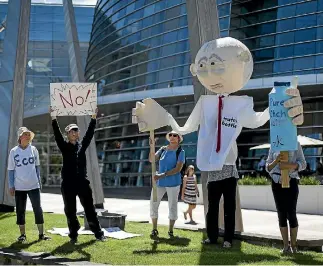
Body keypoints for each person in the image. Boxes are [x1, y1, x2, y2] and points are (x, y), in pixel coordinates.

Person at [50, 107, 106, 243]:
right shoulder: (64, 146)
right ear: (68, 134)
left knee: (89, 209)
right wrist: (53, 118)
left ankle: (98, 233)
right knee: (70, 211)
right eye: (72, 131)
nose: (75, 133)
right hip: (68, 184)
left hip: (82, 182)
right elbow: (57, 134)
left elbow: (89, 134)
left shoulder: (82, 146)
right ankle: (73, 235)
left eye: (76, 131)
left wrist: (93, 118)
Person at [7, 127, 51, 243]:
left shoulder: (34, 149)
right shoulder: (13, 151)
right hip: (19, 186)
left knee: (38, 209)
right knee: (20, 210)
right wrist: (11, 185)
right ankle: (22, 235)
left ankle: (41, 234)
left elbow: (37, 167)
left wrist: (39, 181)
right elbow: (11, 170)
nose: (27, 136)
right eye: (25, 134)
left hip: (33, 186)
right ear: (20, 137)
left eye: (28, 134)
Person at [266, 141, 306, 254]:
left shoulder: (296, 143)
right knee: (281, 214)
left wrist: (290, 167)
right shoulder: (274, 144)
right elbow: (268, 167)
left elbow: (303, 163)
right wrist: (276, 160)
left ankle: (294, 246)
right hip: (276, 182)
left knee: (291, 213)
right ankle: (285, 246)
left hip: (291, 181)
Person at [149, 130, 185, 239]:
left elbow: (178, 169)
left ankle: (170, 230)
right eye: (170, 135)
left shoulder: (180, 151)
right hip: (159, 182)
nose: (172, 137)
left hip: (173, 183)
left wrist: (162, 175)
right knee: (153, 203)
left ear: (179, 138)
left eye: (175, 135)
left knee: (172, 206)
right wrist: (151, 146)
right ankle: (154, 229)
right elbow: (151, 159)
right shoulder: (163, 149)